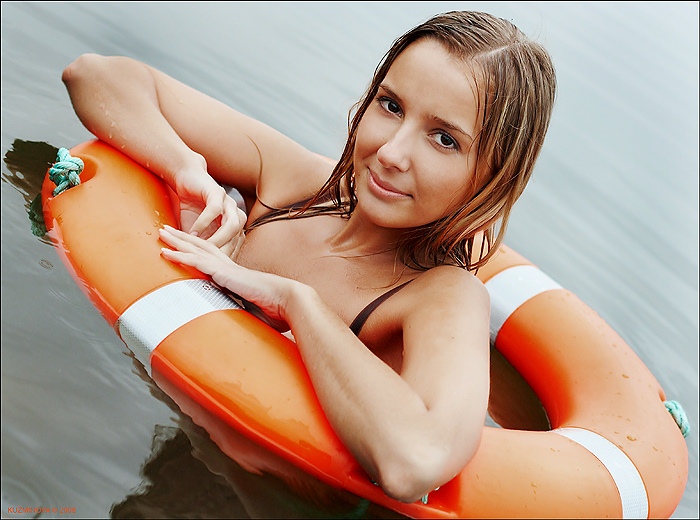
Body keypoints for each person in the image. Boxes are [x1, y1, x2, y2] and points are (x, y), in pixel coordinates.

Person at [60, 10, 556, 503]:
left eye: (444, 139)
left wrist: (295, 301)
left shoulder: (444, 297)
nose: (391, 152)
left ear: (495, 176)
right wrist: (185, 167)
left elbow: (414, 462)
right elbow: (94, 76)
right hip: (146, 470)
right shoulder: (297, 186)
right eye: (390, 105)